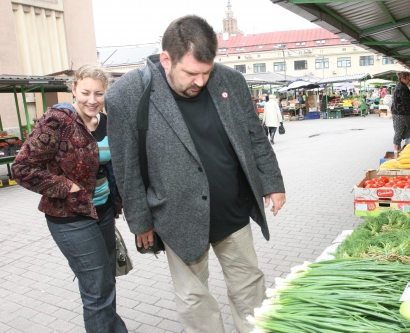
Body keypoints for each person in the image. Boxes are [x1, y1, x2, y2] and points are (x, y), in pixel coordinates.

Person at [104, 15, 286, 333]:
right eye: (191, 73)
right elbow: (126, 165)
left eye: (206, 72)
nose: (200, 81)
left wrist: (272, 182)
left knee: (250, 287)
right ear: (166, 59)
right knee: (193, 298)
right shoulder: (127, 95)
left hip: (233, 210)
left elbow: (254, 135)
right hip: (178, 217)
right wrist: (140, 220)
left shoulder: (231, 80)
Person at [11, 65, 128, 333]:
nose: (92, 99)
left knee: (105, 280)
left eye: (99, 93)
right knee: (97, 288)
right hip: (70, 216)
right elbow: (21, 168)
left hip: (103, 211)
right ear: (73, 89)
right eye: (85, 92)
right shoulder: (58, 122)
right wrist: (65, 186)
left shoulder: (107, 122)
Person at [391, 71, 410, 158]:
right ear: (403, 78)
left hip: (404, 113)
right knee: (399, 132)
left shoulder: (403, 86)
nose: (409, 80)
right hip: (400, 114)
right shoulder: (400, 87)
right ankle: (396, 154)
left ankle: (404, 150)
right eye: (408, 78)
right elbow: (406, 99)